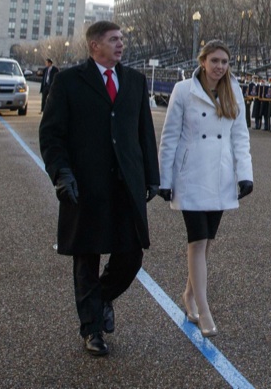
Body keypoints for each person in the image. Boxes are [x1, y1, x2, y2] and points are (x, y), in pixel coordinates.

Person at [39, 21, 160, 357]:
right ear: (94, 46)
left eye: (122, 39)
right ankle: (91, 328)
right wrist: (61, 173)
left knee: (131, 256)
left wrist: (152, 176)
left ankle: (101, 297)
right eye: (113, 40)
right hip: (86, 186)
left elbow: (144, 133)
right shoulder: (68, 81)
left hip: (125, 186)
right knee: (87, 257)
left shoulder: (134, 81)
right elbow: (51, 134)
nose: (120, 44)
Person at [157, 40, 253, 338]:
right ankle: (203, 307)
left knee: (208, 241)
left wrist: (245, 175)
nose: (220, 67)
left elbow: (240, 135)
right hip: (191, 175)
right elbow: (170, 136)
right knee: (197, 241)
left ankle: (188, 294)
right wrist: (164, 179)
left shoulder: (233, 90)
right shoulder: (183, 90)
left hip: (221, 176)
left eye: (224, 61)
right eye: (214, 61)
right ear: (203, 61)